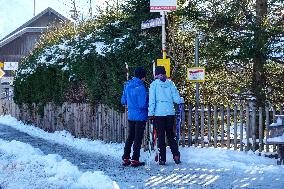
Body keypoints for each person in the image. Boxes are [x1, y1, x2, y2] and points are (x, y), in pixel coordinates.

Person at [148, 66, 184, 165]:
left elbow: (152, 101)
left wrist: (151, 113)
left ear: (156, 74)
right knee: (170, 135)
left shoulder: (154, 85)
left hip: (159, 113)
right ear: (164, 73)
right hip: (170, 112)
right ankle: (176, 156)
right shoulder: (171, 83)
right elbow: (177, 99)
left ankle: (162, 158)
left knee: (161, 136)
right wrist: (181, 100)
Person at [121, 67, 148, 167]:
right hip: (140, 116)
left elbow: (123, 101)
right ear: (142, 77)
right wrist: (148, 102)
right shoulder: (141, 88)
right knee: (138, 138)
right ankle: (135, 159)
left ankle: (126, 158)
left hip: (131, 115)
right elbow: (142, 104)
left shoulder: (127, 85)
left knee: (130, 137)